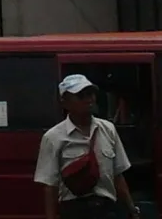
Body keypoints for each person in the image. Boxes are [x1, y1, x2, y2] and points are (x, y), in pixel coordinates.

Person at [34, 74, 140, 219]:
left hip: (107, 210)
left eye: (91, 94)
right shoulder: (53, 137)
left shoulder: (108, 129)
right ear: (65, 102)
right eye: (81, 96)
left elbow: (118, 175)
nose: (89, 99)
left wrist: (132, 209)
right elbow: (50, 187)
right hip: (75, 210)